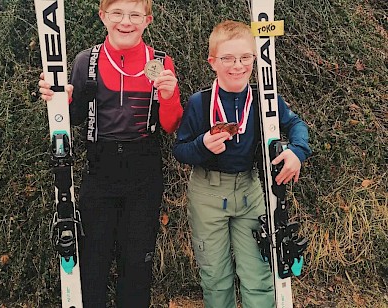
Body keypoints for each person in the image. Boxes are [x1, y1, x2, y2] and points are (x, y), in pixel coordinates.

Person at [39, 0, 182, 307]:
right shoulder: (85, 60)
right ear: (103, 16)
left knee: (137, 262)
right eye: (117, 13)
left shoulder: (160, 61)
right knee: (93, 261)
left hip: (144, 171)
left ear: (148, 20)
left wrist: (169, 97)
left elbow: (171, 125)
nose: (125, 22)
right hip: (99, 169)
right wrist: (58, 99)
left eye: (134, 15)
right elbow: (72, 117)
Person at [173, 20, 311, 308]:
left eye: (245, 57)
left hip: (251, 193)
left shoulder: (265, 100)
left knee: (258, 274)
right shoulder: (200, 102)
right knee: (215, 276)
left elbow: (295, 123)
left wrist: (297, 151)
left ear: (254, 59)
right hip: (208, 194)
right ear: (212, 62)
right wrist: (201, 146)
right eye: (227, 58)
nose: (237, 66)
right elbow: (180, 149)